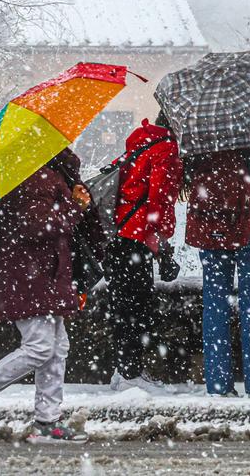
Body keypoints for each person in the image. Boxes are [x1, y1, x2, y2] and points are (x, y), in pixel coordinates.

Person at [0, 148, 90, 443]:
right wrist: (75, 207)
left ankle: (48, 421)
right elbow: (37, 227)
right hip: (30, 276)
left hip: (42, 274)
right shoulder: (31, 176)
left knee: (57, 346)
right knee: (39, 347)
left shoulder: (48, 171)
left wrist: (73, 197)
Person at [186, 132, 250, 398]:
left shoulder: (202, 127)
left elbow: (186, 178)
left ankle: (218, 386)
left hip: (213, 227)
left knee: (214, 305)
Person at [106, 114, 184, 393]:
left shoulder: (141, 142)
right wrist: (161, 238)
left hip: (118, 234)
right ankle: (131, 373)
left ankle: (122, 368)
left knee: (122, 305)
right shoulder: (166, 149)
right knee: (137, 307)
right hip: (137, 237)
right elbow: (159, 198)